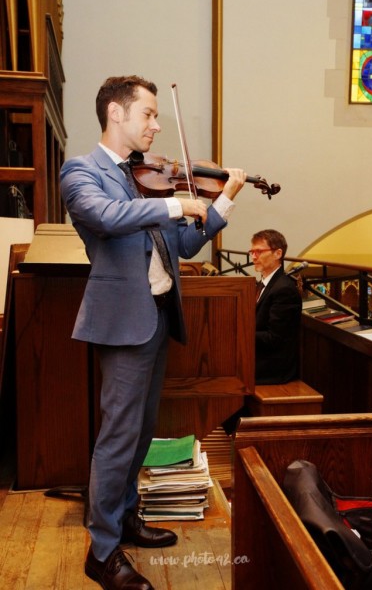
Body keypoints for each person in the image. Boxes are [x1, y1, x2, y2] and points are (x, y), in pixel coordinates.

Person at [60, 75, 246, 590]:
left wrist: (223, 200)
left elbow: (184, 245)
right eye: (147, 114)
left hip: (158, 316)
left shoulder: (150, 176)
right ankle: (101, 553)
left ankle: (126, 518)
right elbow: (104, 216)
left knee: (140, 431)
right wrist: (176, 203)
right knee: (117, 437)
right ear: (116, 114)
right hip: (122, 321)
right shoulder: (81, 171)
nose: (157, 125)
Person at [249, 229, 302, 385]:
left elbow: (275, 338)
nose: (253, 256)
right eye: (251, 252)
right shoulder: (264, 283)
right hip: (260, 357)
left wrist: (239, 332)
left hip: (273, 368)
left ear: (278, 253)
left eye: (259, 251)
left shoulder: (284, 289)